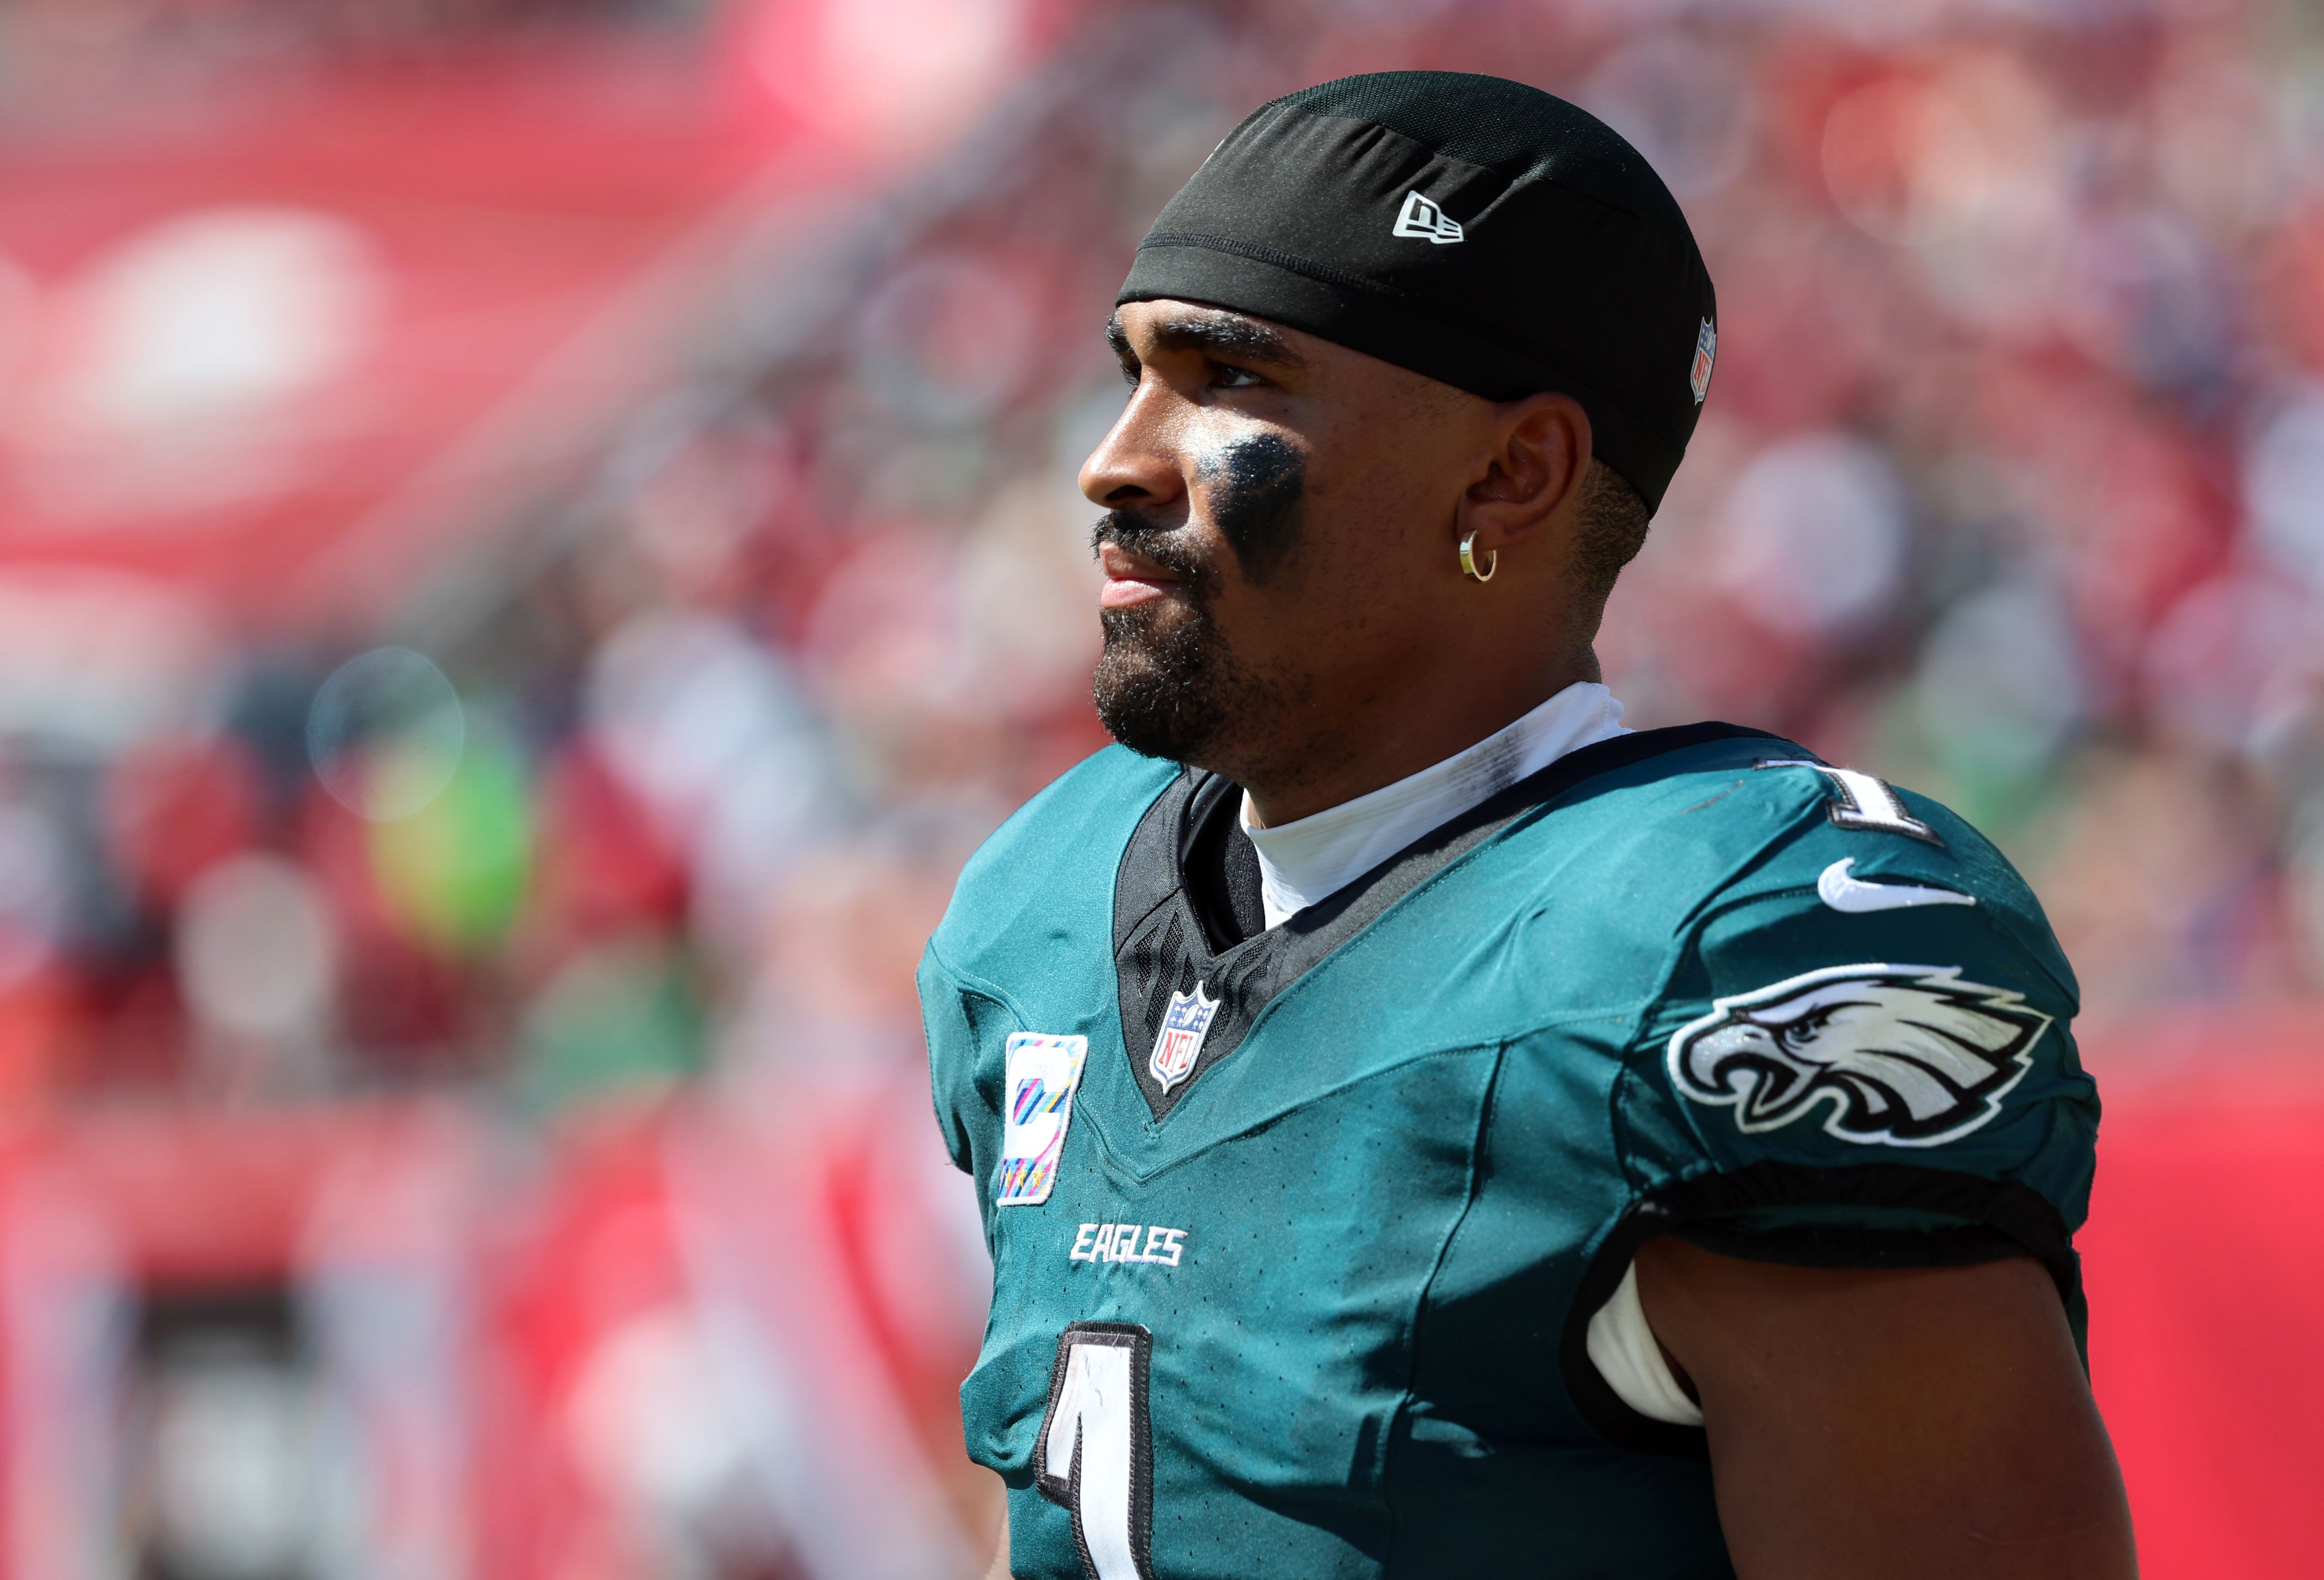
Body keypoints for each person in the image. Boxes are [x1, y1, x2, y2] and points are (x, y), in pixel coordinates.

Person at [920, 71, 2135, 1580]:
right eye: (1135, 370)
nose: (1113, 458)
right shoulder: (1039, 908)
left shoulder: (1721, 949)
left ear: (1510, 474)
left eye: (1228, 376)